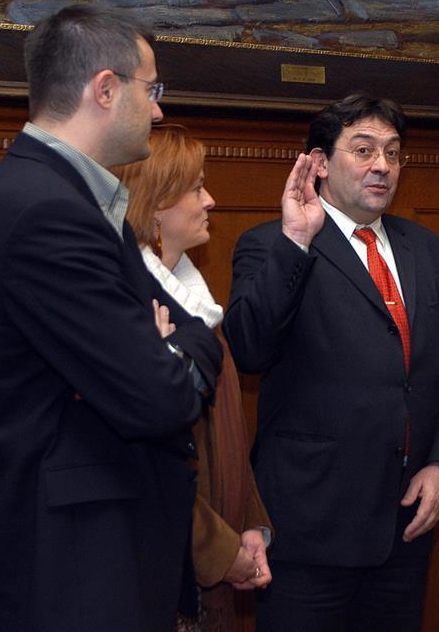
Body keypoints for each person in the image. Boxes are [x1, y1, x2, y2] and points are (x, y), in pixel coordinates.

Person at [0, 4, 222, 632]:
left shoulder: (79, 199)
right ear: (105, 89)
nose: (157, 109)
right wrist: (166, 356)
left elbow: (194, 333)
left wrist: (169, 347)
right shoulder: (48, 212)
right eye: (151, 90)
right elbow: (159, 397)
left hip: (84, 559)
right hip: (66, 573)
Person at [223, 93, 439, 631]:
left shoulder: (426, 248)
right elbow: (248, 350)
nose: (381, 165)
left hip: (405, 524)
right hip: (311, 525)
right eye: (363, 150)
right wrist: (297, 237)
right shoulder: (272, 244)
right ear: (318, 163)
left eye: (392, 152)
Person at [112, 125, 273, 630]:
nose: (211, 200)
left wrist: (250, 526)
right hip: (167, 576)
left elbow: (230, 442)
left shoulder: (198, 306)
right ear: (156, 205)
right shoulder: (133, 310)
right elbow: (152, 464)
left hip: (217, 568)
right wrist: (221, 551)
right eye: (197, 187)